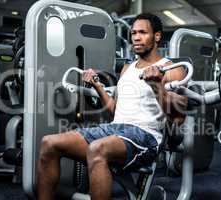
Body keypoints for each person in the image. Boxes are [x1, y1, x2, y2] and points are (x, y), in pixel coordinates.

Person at [36, 13, 187, 200]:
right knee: (49, 143)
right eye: (133, 33)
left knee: (97, 148)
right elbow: (116, 110)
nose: (136, 37)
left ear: (157, 36)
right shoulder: (127, 69)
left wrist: (157, 86)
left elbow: (178, 119)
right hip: (115, 129)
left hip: (146, 136)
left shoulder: (171, 69)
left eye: (143, 32)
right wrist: (97, 86)